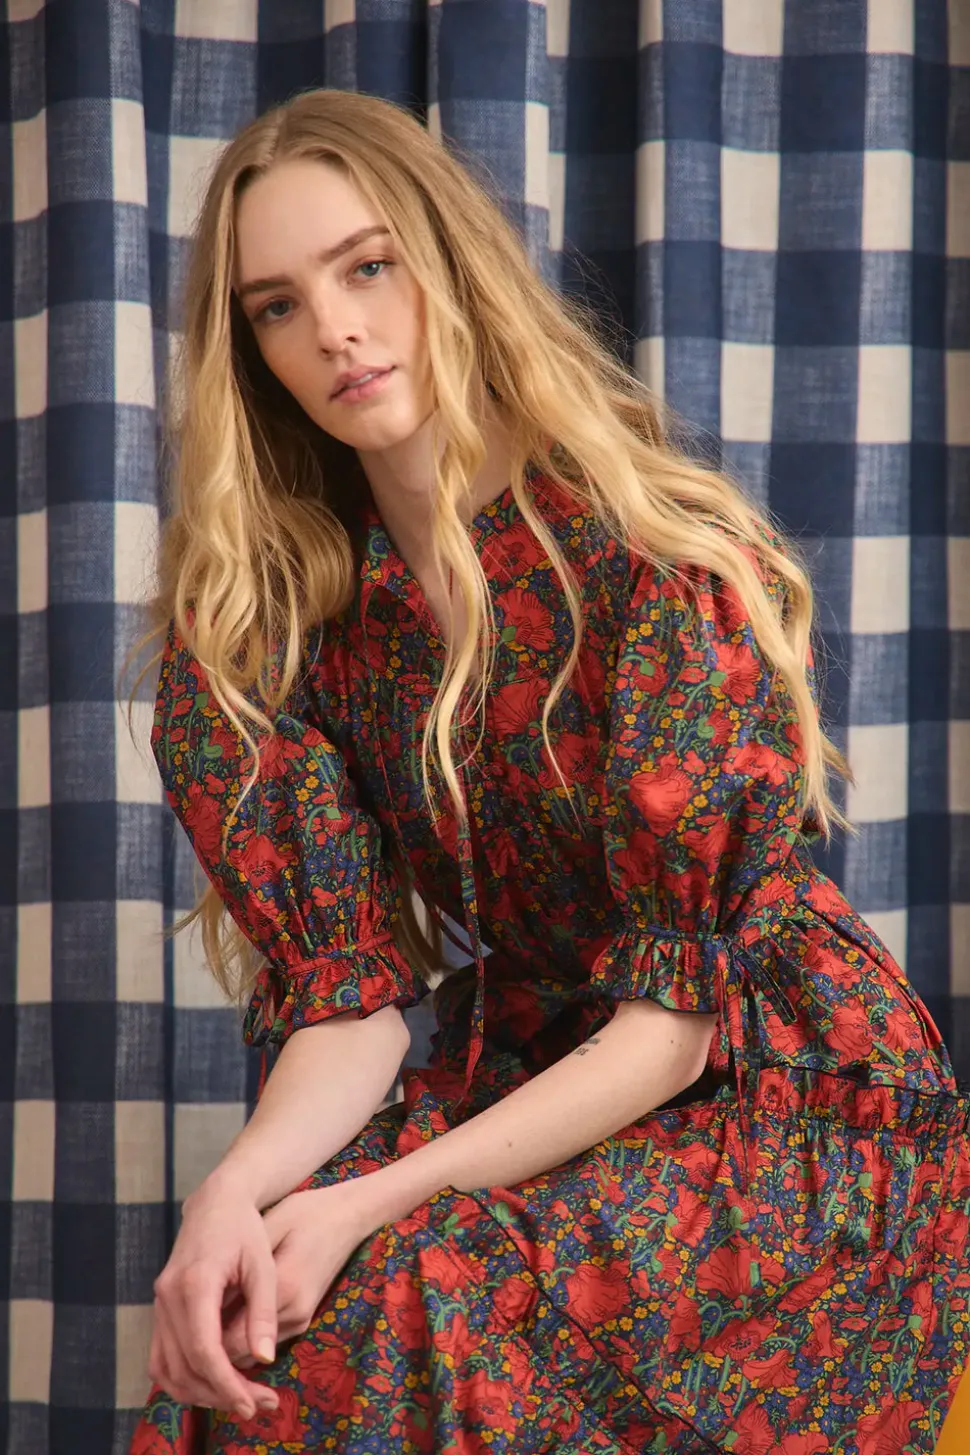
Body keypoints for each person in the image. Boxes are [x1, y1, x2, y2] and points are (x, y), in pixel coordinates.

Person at [128, 88, 970, 1455]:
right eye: (276, 305)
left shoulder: (655, 562)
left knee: (408, 1284)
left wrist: (369, 1198)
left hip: (785, 1095)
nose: (333, 327)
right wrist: (233, 1192)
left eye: (367, 266)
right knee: (262, 1321)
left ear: (449, 266)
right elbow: (352, 1006)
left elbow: (673, 1027)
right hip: (536, 1068)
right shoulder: (292, 625)